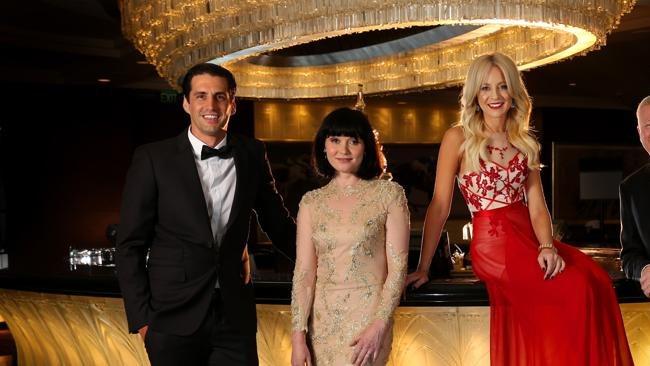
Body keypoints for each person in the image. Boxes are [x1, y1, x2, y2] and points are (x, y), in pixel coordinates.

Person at [405, 53, 633, 365]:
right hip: (492, 245)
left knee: (596, 279)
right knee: (574, 288)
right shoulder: (458, 137)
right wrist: (423, 266)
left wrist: (547, 245)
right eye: (485, 88)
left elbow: (538, 206)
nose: (494, 96)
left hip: (528, 237)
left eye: (502, 87)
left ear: (513, 92)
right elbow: (440, 205)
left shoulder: (524, 141)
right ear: (475, 93)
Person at [116, 63, 296, 366]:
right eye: (201, 96)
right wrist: (144, 321)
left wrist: (329, 264)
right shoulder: (152, 158)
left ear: (233, 104)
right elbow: (129, 245)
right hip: (171, 318)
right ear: (186, 103)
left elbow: (278, 224)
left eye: (220, 96)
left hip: (234, 317)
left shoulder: (252, 153)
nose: (210, 105)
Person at [290, 107, 409, 366]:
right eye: (335, 140)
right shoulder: (311, 202)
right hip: (321, 323)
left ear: (366, 147)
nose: (343, 150)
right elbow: (304, 273)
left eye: (353, 141)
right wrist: (298, 338)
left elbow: (397, 269)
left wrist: (379, 326)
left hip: (368, 319)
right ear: (323, 146)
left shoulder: (389, 195)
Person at [620, 96, 650, 296]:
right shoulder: (630, 187)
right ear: (640, 133)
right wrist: (645, 270)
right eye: (647, 126)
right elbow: (629, 256)